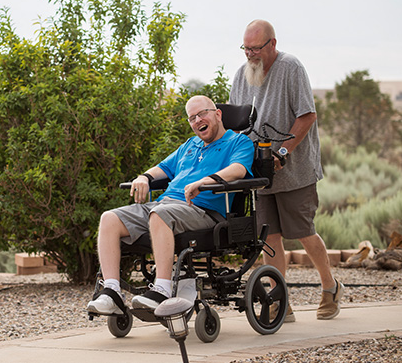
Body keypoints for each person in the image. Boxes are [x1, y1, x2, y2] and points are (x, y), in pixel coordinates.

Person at [87, 95, 255, 315]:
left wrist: (206, 181)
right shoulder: (189, 145)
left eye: (202, 114)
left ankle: (163, 290)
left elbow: (239, 170)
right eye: (192, 118)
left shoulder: (238, 142)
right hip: (166, 203)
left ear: (217, 114)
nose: (197, 121)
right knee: (109, 219)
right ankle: (111, 292)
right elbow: (163, 168)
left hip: (202, 209)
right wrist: (144, 177)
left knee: (159, 214)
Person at [229, 19, 343, 321]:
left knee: (304, 233)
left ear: (272, 44)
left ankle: (330, 288)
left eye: (256, 48)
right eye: (246, 48)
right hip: (259, 173)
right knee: (271, 238)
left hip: (294, 170)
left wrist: (282, 152)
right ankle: (281, 301)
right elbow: (236, 123)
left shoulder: (291, 68)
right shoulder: (242, 75)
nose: (250, 54)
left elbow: (307, 116)